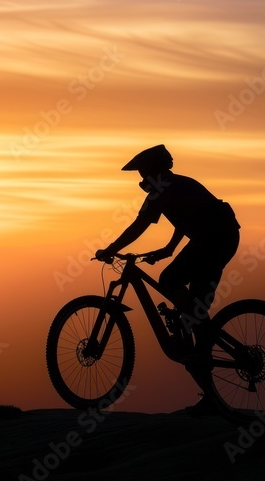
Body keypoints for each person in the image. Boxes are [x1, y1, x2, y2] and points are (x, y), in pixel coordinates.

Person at [95, 143, 240, 347]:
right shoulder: (176, 184)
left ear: (152, 170)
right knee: (196, 309)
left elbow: (139, 226)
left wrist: (111, 249)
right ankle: (201, 353)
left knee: (169, 280)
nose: (141, 178)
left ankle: (199, 340)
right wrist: (169, 249)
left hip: (212, 240)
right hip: (222, 237)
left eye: (143, 172)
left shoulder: (161, 190)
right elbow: (188, 218)